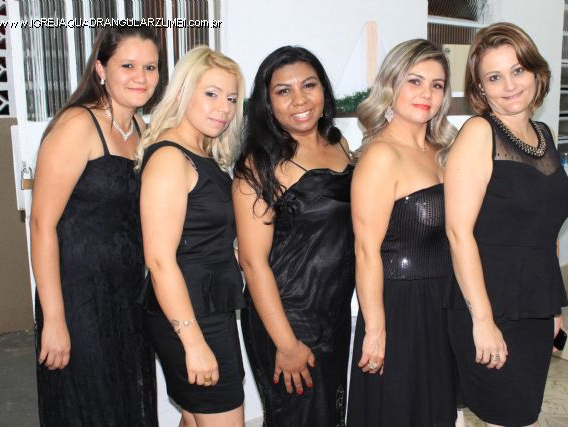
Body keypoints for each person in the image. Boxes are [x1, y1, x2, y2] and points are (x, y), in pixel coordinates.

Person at [444, 22, 568, 427]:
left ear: (537, 72)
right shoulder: (478, 133)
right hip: (488, 303)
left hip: (534, 303)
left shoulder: (544, 134)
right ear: (481, 89)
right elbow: (458, 233)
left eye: (518, 70)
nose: (509, 85)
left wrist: (552, 305)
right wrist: (483, 321)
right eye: (494, 77)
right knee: (511, 417)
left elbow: (545, 232)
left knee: (523, 414)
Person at [30, 27, 160, 426]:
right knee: (88, 405)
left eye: (150, 67)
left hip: (127, 294)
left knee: (126, 400)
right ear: (101, 69)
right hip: (78, 297)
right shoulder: (78, 125)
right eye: (128, 66)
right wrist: (55, 320)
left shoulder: (142, 130)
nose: (141, 77)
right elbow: (41, 224)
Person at [233, 46, 354, 426]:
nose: (299, 100)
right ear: (267, 103)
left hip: (333, 312)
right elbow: (252, 263)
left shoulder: (340, 145)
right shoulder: (259, 164)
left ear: (324, 91)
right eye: (283, 91)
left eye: (309, 85)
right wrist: (285, 344)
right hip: (287, 318)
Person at [346, 39, 459, 427]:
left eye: (437, 84)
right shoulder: (381, 156)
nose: (426, 93)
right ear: (391, 85)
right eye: (415, 81)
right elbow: (365, 250)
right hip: (401, 307)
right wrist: (376, 329)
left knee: (434, 411)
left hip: (442, 300)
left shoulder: (442, 149)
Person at [136, 46, 246, 427]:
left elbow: (203, 237)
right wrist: (193, 341)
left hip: (206, 306)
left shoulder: (201, 153)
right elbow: (159, 260)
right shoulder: (171, 158)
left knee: (198, 418)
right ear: (183, 92)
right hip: (190, 316)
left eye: (231, 98)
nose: (224, 108)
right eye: (211, 93)